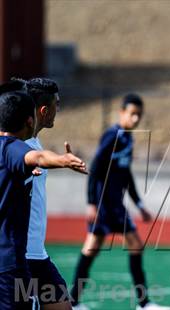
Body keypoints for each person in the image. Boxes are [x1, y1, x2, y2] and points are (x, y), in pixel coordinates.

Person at [70, 94, 170, 310]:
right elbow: (96, 168)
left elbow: (126, 176)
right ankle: (74, 302)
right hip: (103, 204)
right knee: (92, 247)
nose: (135, 119)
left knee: (135, 245)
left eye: (139, 115)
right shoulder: (112, 136)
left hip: (117, 205)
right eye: (132, 114)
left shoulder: (127, 138)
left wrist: (140, 205)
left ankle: (144, 304)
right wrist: (91, 203)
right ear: (122, 113)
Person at [0, 89, 87, 310]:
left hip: (27, 255)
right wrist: (62, 160)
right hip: (12, 261)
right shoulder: (13, 148)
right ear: (30, 120)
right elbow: (36, 157)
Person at [19, 78, 73, 310]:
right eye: (56, 105)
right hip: (21, 255)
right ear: (44, 110)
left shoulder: (34, 142)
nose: (58, 110)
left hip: (37, 253)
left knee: (62, 306)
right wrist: (62, 160)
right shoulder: (19, 147)